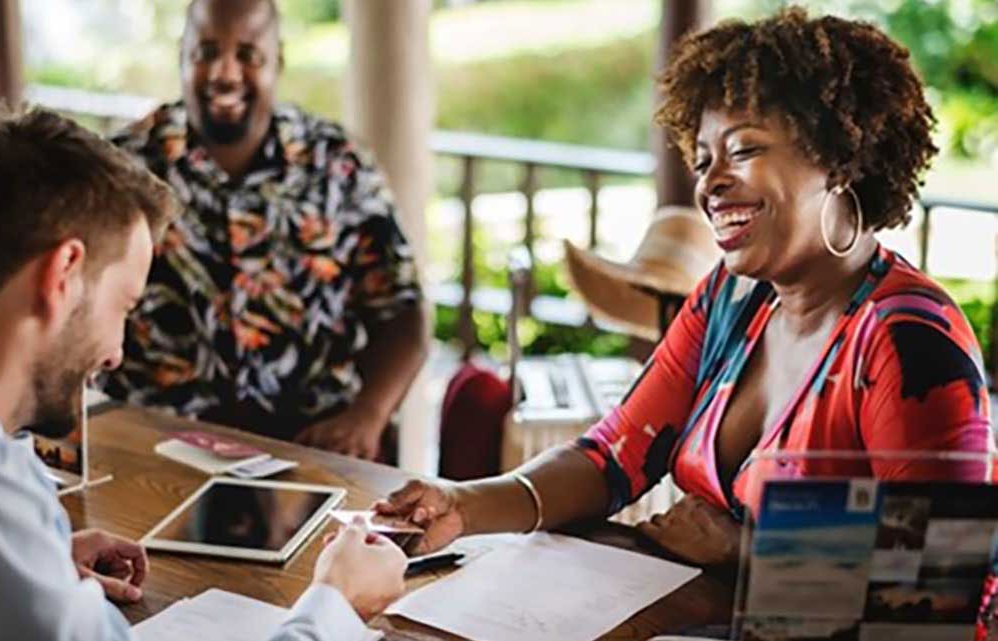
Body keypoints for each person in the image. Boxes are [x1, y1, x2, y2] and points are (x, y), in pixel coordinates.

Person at [376, 7, 993, 567]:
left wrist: (748, 548)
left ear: (840, 160)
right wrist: (463, 504)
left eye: (743, 149)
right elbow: (612, 456)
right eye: (703, 159)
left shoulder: (909, 340)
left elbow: (949, 567)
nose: (711, 183)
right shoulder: (730, 300)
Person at [0, 107, 407, 641]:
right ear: (63, 275)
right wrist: (337, 601)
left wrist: (25, 568)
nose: (117, 353)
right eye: (123, 305)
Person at [100, 0, 429, 462]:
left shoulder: (340, 165)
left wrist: (368, 414)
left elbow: (403, 315)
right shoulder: (122, 170)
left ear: (278, 60)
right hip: (155, 448)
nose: (225, 74)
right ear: (183, 54)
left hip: (307, 449)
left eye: (249, 55)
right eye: (206, 52)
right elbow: (76, 308)